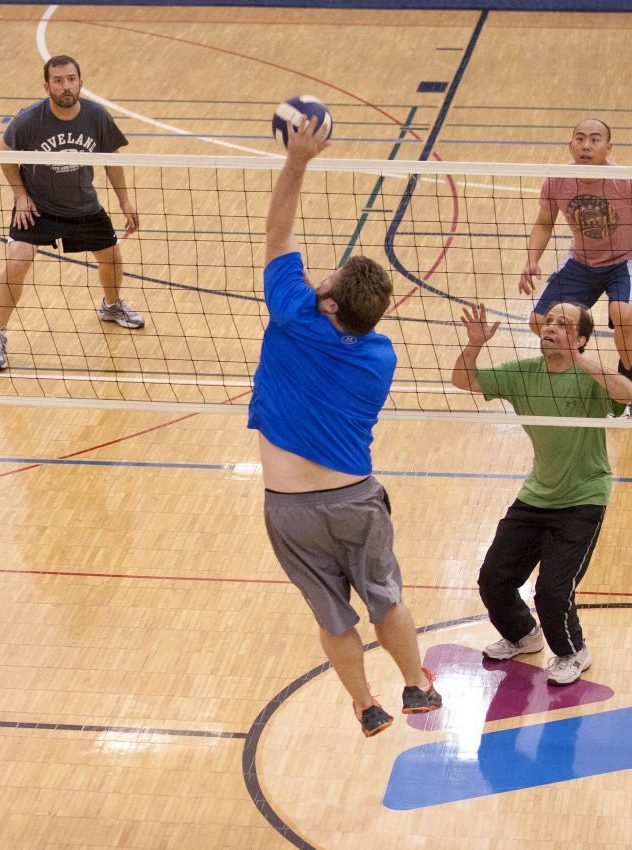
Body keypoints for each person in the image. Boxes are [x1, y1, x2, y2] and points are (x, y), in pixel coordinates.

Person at [251, 115, 441, 738]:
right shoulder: (379, 353)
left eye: (326, 281)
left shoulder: (294, 316)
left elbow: (278, 232)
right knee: (386, 599)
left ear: (328, 302)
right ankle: (416, 685)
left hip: (291, 510)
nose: (319, 278)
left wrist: (298, 161)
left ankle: (366, 705)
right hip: (356, 501)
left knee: (334, 618)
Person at [450, 301, 632, 685]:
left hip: (584, 497)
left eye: (563, 324)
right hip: (537, 495)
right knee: (493, 579)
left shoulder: (590, 378)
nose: (550, 327)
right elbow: (463, 380)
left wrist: (578, 359)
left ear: (581, 338)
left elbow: (628, 393)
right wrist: (474, 345)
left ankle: (573, 652)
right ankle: (524, 635)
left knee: (551, 590)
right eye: (548, 321)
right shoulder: (522, 373)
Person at [0, 54, 143, 371]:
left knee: (111, 256)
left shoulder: (96, 116)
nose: (65, 86)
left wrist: (125, 201)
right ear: (47, 86)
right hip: (37, 209)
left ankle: (111, 307)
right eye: (58, 80)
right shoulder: (29, 120)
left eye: (71, 79)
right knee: (17, 262)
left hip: (82, 205)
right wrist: (21, 196)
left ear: (81, 83)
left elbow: (111, 158)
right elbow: (4, 155)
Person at [518, 119, 632, 406]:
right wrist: (532, 260)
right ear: (570, 146)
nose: (586, 145)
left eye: (594, 139)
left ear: (608, 147)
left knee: (623, 314)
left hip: (624, 261)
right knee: (538, 322)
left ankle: (626, 381)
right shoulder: (557, 181)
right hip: (581, 262)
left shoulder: (627, 181)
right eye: (579, 139)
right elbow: (543, 223)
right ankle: (578, 367)